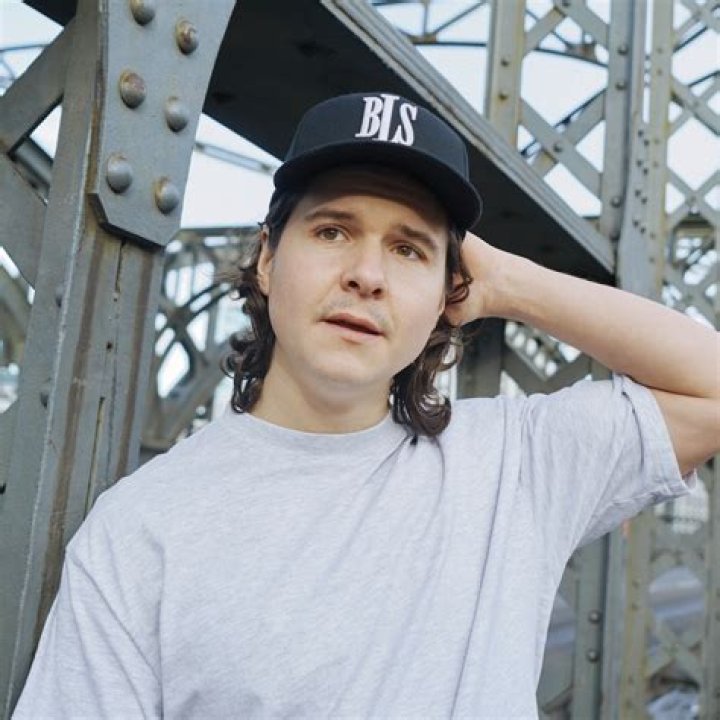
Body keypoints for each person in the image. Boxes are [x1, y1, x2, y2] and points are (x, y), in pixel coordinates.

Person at [13, 92, 718, 719]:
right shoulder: (139, 531)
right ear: (267, 259)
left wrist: (509, 282)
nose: (367, 275)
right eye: (333, 231)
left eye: (409, 250)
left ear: (449, 293)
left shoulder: (515, 465)